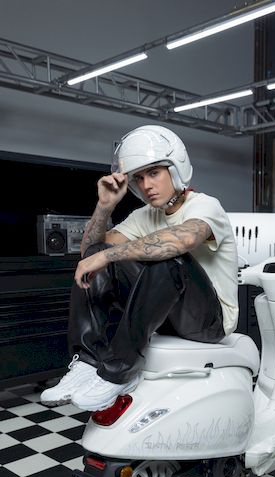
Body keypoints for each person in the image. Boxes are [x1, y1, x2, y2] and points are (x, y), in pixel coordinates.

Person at [40, 125, 239, 411]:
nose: (146, 185)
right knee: (98, 253)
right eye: (140, 178)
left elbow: (182, 240)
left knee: (168, 257)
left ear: (176, 169)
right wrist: (105, 206)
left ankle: (120, 372)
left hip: (210, 322)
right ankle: (87, 361)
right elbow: (89, 254)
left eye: (154, 173)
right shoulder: (144, 215)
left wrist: (108, 256)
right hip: (165, 313)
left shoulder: (206, 206)